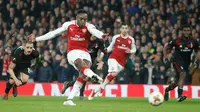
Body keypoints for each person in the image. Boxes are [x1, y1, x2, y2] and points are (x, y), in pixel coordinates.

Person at [30, 9, 108, 106]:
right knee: (81, 64)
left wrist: (101, 34)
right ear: (77, 18)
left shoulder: (89, 26)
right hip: (72, 52)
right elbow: (53, 33)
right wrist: (37, 39)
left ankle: (69, 99)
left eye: (85, 19)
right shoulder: (68, 25)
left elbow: (94, 31)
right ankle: (93, 76)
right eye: (82, 19)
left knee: (83, 75)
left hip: (85, 53)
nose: (84, 21)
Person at [88, 23, 136, 100]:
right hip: (113, 58)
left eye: (126, 28)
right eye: (123, 28)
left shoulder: (131, 39)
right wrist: (103, 52)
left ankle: (96, 91)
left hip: (122, 62)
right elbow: (110, 47)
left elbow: (134, 49)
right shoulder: (116, 37)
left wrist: (130, 51)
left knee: (109, 79)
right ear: (120, 29)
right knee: (114, 73)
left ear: (128, 29)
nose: (124, 30)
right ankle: (102, 88)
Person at [61, 35, 106, 100]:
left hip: (92, 61)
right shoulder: (85, 39)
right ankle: (81, 93)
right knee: (84, 76)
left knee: (85, 77)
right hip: (82, 60)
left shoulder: (99, 41)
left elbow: (103, 50)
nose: (94, 36)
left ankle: (69, 84)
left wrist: (101, 58)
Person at [163, 25, 200, 102]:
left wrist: (196, 60)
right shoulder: (177, 40)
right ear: (182, 31)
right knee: (183, 74)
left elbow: (198, 51)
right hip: (177, 61)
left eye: (188, 30)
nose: (186, 32)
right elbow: (167, 47)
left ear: (190, 31)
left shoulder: (193, 41)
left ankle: (167, 89)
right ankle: (179, 96)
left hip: (186, 63)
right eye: (185, 30)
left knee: (177, 81)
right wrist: (166, 56)